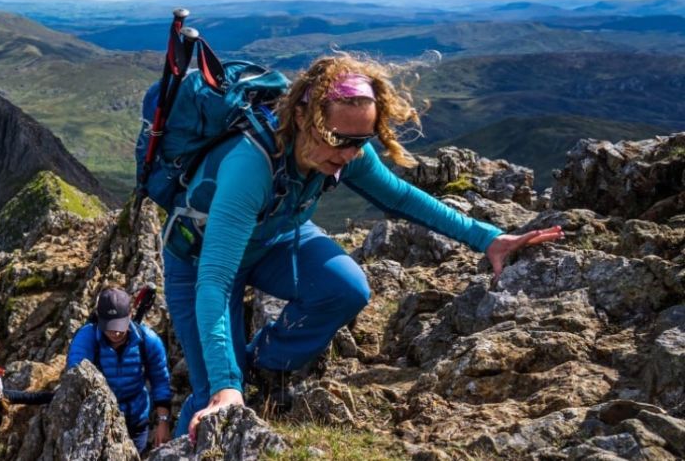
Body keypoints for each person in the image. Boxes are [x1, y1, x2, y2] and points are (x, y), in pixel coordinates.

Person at [161, 53, 565, 437]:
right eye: (338, 139)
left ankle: (263, 366)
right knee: (212, 396)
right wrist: (226, 385)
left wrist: (488, 238)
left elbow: (401, 198)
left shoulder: (347, 145)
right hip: (200, 263)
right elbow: (214, 281)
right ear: (302, 117)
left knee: (345, 289)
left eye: (362, 140)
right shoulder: (250, 167)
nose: (350, 153)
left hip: (273, 240)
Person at [66, 287, 173, 453]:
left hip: (137, 422)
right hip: (98, 423)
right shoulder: (87, 339)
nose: (116, 332)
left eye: (119, 325)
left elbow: (160, 380)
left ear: (130, 315)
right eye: (109, 326)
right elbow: (75, 377)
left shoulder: (147, 340)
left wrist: (163, 422)